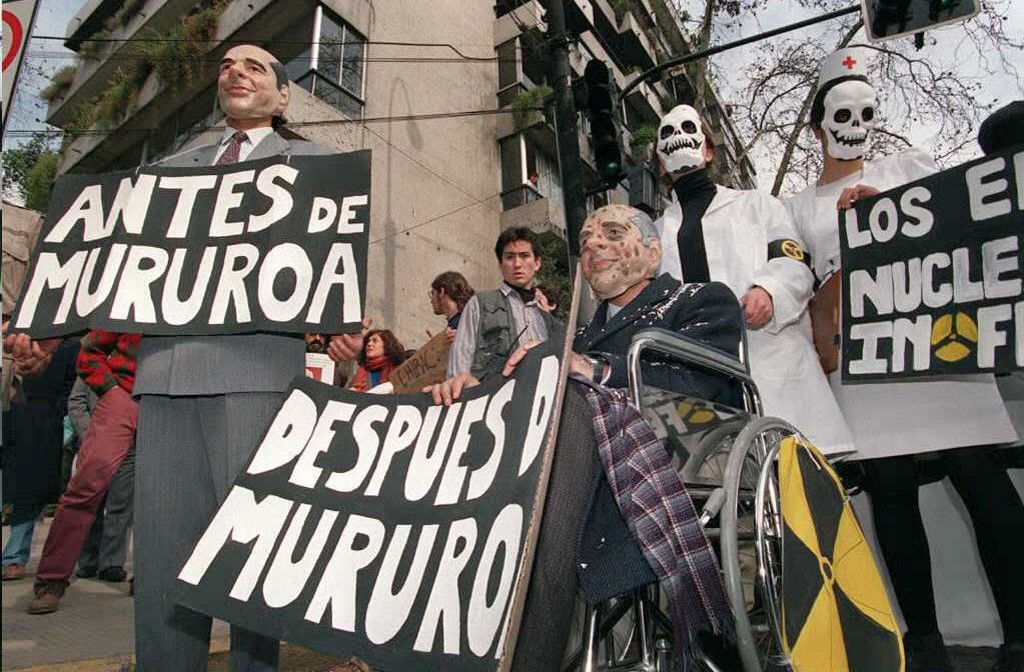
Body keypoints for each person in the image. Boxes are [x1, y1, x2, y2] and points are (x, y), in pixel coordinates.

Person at [784, 48, 1023, 672]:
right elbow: (807, 290)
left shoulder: (911, 168)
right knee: (890, 492)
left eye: (864, 110)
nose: (853, 122)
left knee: (981, 478)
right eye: (840, 111)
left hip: (938, 348)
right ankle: (923, 640)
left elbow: (958, 234)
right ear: (817, 126)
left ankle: (1021, 631)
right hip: (866, 361)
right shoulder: (798, 208)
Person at [427, 205, 744, 670]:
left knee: (571, 400)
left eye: (612, 233)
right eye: (586, 236)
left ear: (653, 253)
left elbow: (704, 383)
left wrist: (596, 370)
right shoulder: (575, 332)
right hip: (572, 464)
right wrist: (475, 393)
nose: (592, 243)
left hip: (670, 451)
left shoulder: (699, 299)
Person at [653, 103, 853, 454]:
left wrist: (770, 291)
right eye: (666, 135)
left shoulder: (759, 205)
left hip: (772, 366)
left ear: (709, 149)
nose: (678, 140)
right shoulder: (654, 235)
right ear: (659, 162)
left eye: (687, 129)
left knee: (797, 484)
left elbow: (793, 262)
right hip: (701, 382)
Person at [27, 330, 139, 613]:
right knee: (85, 486)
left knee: (164, 493)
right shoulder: (130, 297)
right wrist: (112, 391)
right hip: (124, 395)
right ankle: (51, 578)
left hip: (169, 397)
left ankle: (152, 574)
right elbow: (89, 354)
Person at [2, 338, 79, 582]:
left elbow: (71, 386)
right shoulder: (19, 337)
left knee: (30, 491)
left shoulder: (68, 345)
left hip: (42, 423)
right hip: (15, 417)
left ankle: (14, 556)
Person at [446, 227, 562, 380]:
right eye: (509, 257)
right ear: (500, 264)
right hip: (493, 397)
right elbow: (460, 362)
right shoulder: (481, 304)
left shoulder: (548, 319)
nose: (517, 264)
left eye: (525, 256)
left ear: (537, 263)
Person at [66, 376, 135, 585]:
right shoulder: (92, 364)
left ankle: (111, 564)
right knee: (90, 505)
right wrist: (91, 434)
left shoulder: (133, 364)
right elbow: (76, 402)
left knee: (120, 505)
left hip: (129, 446)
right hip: (94, 445)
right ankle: (88, 561)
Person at [428, 271, 475, 340]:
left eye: (433, 293)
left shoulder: (464, 327)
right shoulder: (467, 321)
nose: (431, 300)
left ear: (441, 292)